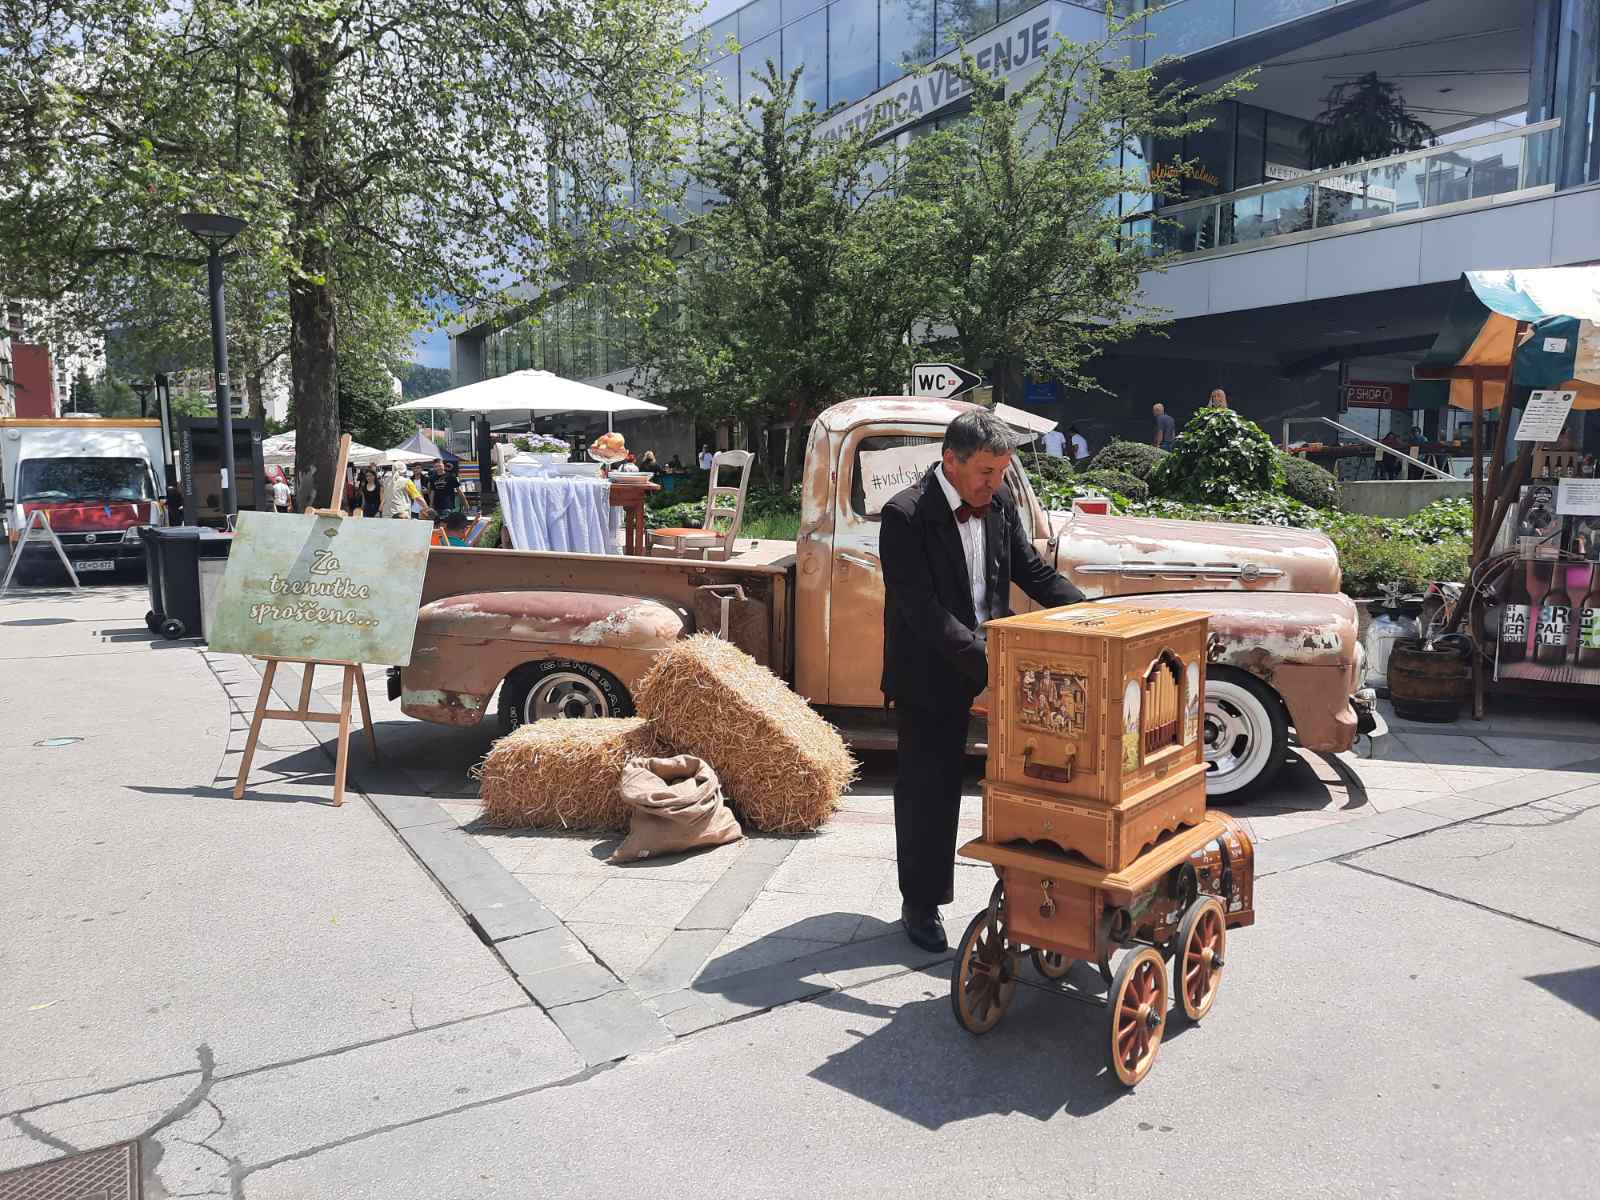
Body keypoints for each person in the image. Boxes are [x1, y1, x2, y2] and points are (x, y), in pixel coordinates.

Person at [880, 409, 1086, 953]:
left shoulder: (999, 501)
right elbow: (923, 613)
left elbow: (1031, 571)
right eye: (986, 472)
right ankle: (920, 902)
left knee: (1040, 777)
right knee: (929, 789)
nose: (994, 484)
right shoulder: (904, 515)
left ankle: (1044, 898)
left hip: (991, 652)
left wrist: (1088, 615)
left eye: (1002, 472)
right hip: (929, 668)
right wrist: (991, 661)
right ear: (951, 461)